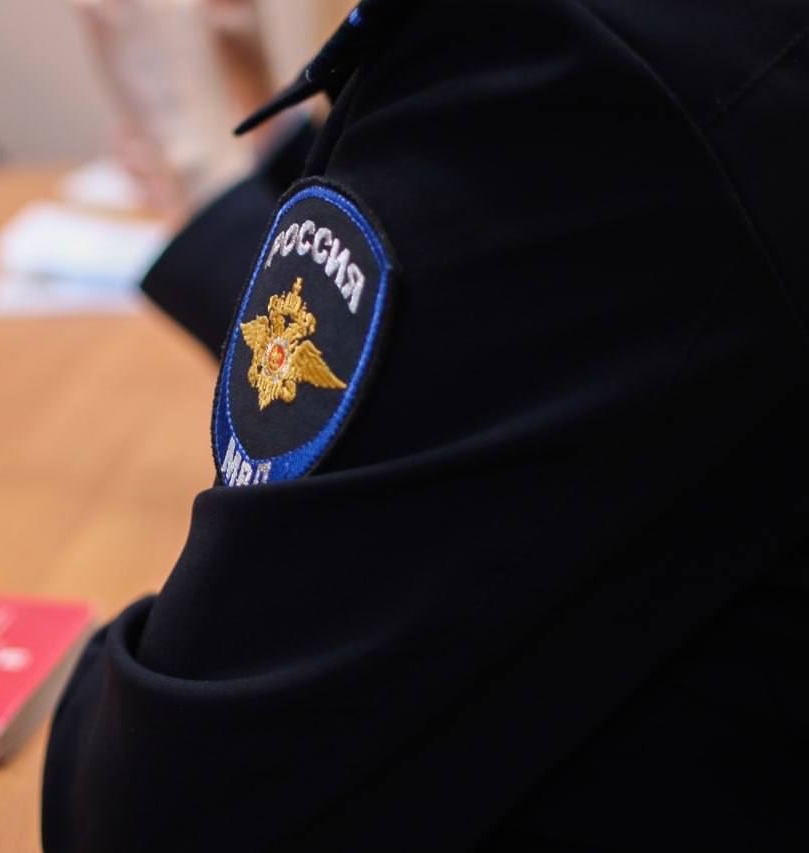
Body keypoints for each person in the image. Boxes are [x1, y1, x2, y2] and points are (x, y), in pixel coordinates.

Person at [42, 0, 809, 850]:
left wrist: (188, 155)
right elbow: (479, 328)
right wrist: (271, 148)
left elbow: (161, 804)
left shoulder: (578, 47)